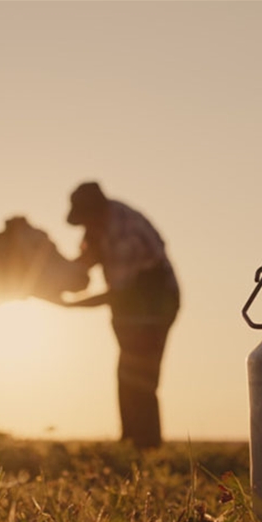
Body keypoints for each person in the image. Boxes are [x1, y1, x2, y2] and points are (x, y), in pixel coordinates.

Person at [63, 181, 180, 449]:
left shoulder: (125, 233)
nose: (84, 228)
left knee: (141, 374)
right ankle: (130, 442)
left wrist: (71, 304)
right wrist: (58, 277)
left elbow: (118, 294)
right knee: (127, 371)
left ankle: (146, 445)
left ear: (95, 212)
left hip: (154, 305)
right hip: (130, 307)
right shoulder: (97, 229)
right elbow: (83, 263)